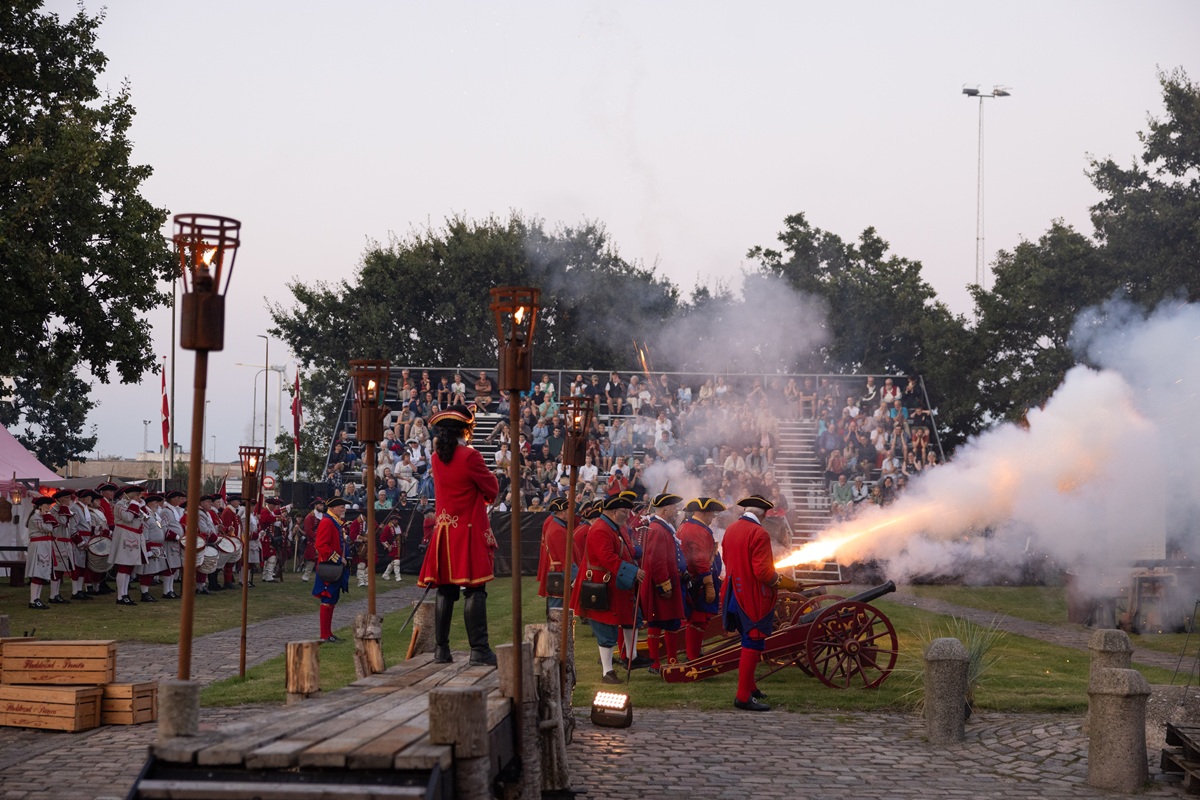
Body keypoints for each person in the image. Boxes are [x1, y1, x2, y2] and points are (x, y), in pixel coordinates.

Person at [417, 404, 501, 666]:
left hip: (444, 531)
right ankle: (479, 649)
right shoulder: (470, 456)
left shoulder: (435, 458)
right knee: (475, 590)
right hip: (467, 530)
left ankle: (442, 650)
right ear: (465, 430)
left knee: (445, 590)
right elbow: (491, 489)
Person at [721, 494, 799, 711]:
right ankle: (743, 696)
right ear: (763, 514)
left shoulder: (731, 529)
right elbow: (763, 573)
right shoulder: (759, 533)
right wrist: (788, 583)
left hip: (733, 593)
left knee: (747, 639)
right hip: (752, 596)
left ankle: (751, 686)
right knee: (752, 642)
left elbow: (728, 560)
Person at [569, 491, 645, 684]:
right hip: (601, 584)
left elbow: (625, 550)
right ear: (612, 512)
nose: (627, 515)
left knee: (629, 618)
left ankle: (631, 656)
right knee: (606, 628)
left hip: (614, 583)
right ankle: (607, 671)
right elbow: (607, 558)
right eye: (624, 511)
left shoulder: (612, 527)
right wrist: (632, 572)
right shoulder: (601, 529)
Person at [639, 492, 686, 674]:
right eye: (674, 507)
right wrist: (663, 584)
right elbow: (657, 560)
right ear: (665, 510)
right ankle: (660, 662)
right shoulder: (658, 530)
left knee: (660, 622)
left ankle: (661, 661)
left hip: (665, 580)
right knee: (663, 622)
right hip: (663, 583)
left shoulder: (662, 527)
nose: (676, 510)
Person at [678, 497, 725, 661]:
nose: (713, 516)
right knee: (698, 620)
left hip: (696, 579)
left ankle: (693, 654)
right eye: (711, 513)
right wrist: (709, 584)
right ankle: (693, 657)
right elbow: (700, 559)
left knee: (697, 620)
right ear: (703, 513)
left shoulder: (691, 526)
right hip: (700, 581)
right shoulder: (698, 530)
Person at [312, 497, 351, 643]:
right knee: (327, 599)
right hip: (329, 566)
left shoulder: (335, 522)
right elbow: (321, 545)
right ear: (333, 508)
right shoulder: (327, 521)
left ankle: (328, 633)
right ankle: (324, 634)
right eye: (341, 507)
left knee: (332, 599)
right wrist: (337, 558)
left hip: (335, 567)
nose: (344, 509)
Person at [109, 485, 149, 605]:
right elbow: (128, 517)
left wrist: (142, 507)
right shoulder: (121, 504)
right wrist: (134, 505)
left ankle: (125, 593)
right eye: (137, 495)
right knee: (124, 566)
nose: (139, 497)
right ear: (130, 495)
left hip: (135, 536)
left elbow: (144, 519)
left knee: (129, 568)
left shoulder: (135, 504)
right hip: (125, 536)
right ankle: (121, 595)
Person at [537, 496, 569, 614]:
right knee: (557, 608)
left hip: (557, 569)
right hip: (559, 571)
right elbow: (564, 555)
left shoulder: (558, 526)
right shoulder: (557, 529)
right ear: (563, 512)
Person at [26, 495, 57, 609]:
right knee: (38, 572)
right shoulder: (36, 517)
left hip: (43, 545)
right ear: (40, 505)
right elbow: (48, 528)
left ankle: (36, 598)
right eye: (46, 504)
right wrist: (48, 517)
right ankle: (33, 600)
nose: (49, 506)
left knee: (41, 572)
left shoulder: (40, 516)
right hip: (39, 546)